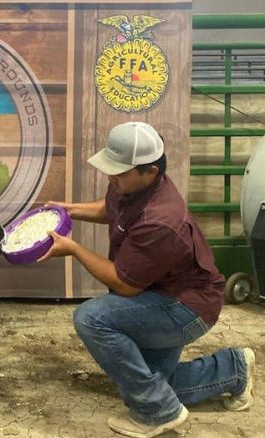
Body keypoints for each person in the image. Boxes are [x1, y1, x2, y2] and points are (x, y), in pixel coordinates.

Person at [40, 121, 255, 438]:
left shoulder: (160, 219)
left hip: (186, 308)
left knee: (91, 318)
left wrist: (73, 249)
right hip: (159, 294)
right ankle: (233, 368)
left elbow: (125, 284)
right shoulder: (130, 184)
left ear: (150, 172)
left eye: (120, 172)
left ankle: (158, 413)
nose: (111, 177)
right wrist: (68, 211)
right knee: (154, 383)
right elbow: (111, 209)